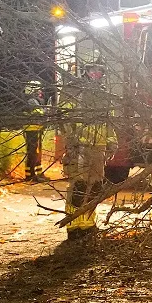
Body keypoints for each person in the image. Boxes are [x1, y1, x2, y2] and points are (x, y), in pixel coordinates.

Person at [62, 60, 117, 240]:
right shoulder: (73, 91)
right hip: (80, 147)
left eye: (100, 72)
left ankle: (87, 224)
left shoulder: (103, 94)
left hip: (98, 148)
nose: (96, 74)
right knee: (78, 185)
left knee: (94, 186)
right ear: (86, 71)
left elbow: (109, 122)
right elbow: (63, 118)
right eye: (94, 70)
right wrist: (71, 142)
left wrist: (111, 143)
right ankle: (73, 225)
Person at [22, 81, 49, 182]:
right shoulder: (32, 101)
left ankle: (38, 173)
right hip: (31, 129)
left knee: (36, 152)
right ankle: (30, 175)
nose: (40, 91)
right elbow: (39, 112)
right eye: (38, 89)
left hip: (35, 129)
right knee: (32, 152)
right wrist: (46, 110)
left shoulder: (34, 100)